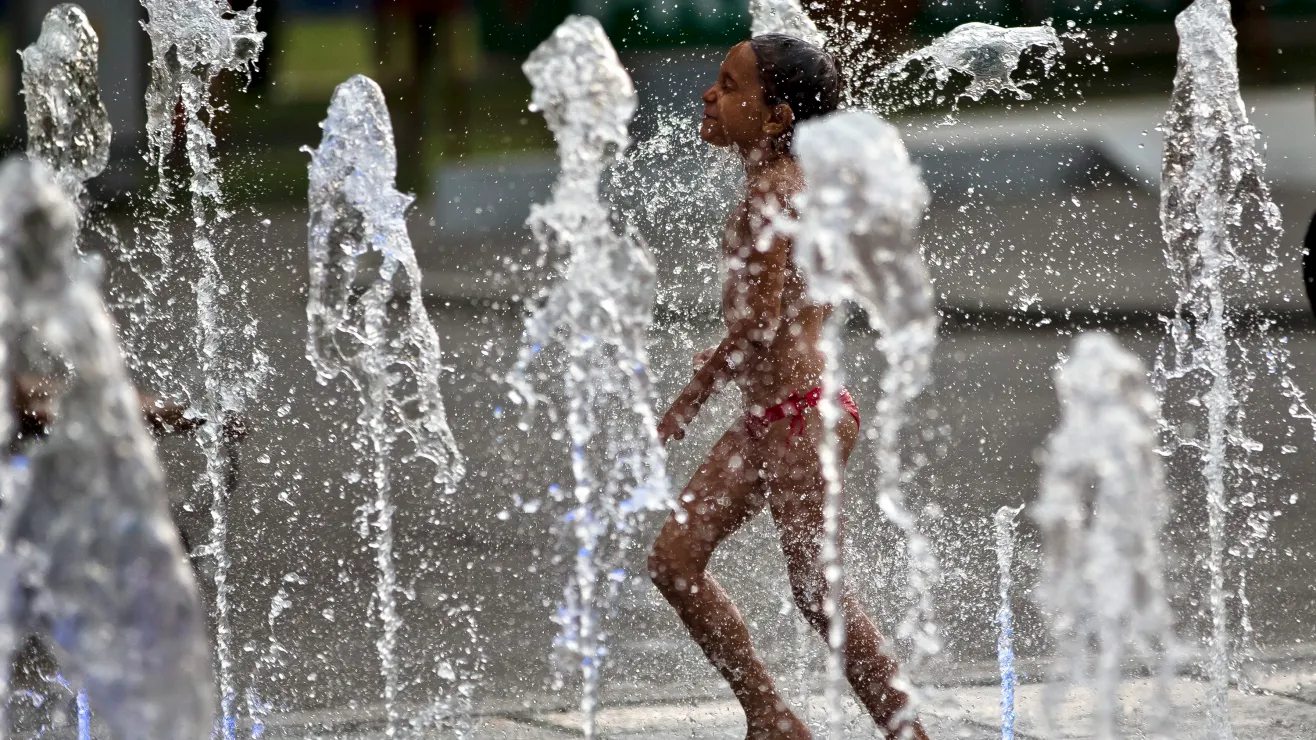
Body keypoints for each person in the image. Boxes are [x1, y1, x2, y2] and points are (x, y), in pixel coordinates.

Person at [649, 35, 930, 740]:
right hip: (779, 414)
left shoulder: (776, 192)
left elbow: (765, 322)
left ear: (774, 118)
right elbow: (780, 311)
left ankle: (906, 733)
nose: (710, 95)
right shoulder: (784, 183)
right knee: (675, 561)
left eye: (730, 85)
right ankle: (770, 717)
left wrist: (689, 398)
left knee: (819, 595)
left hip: (801, 417)